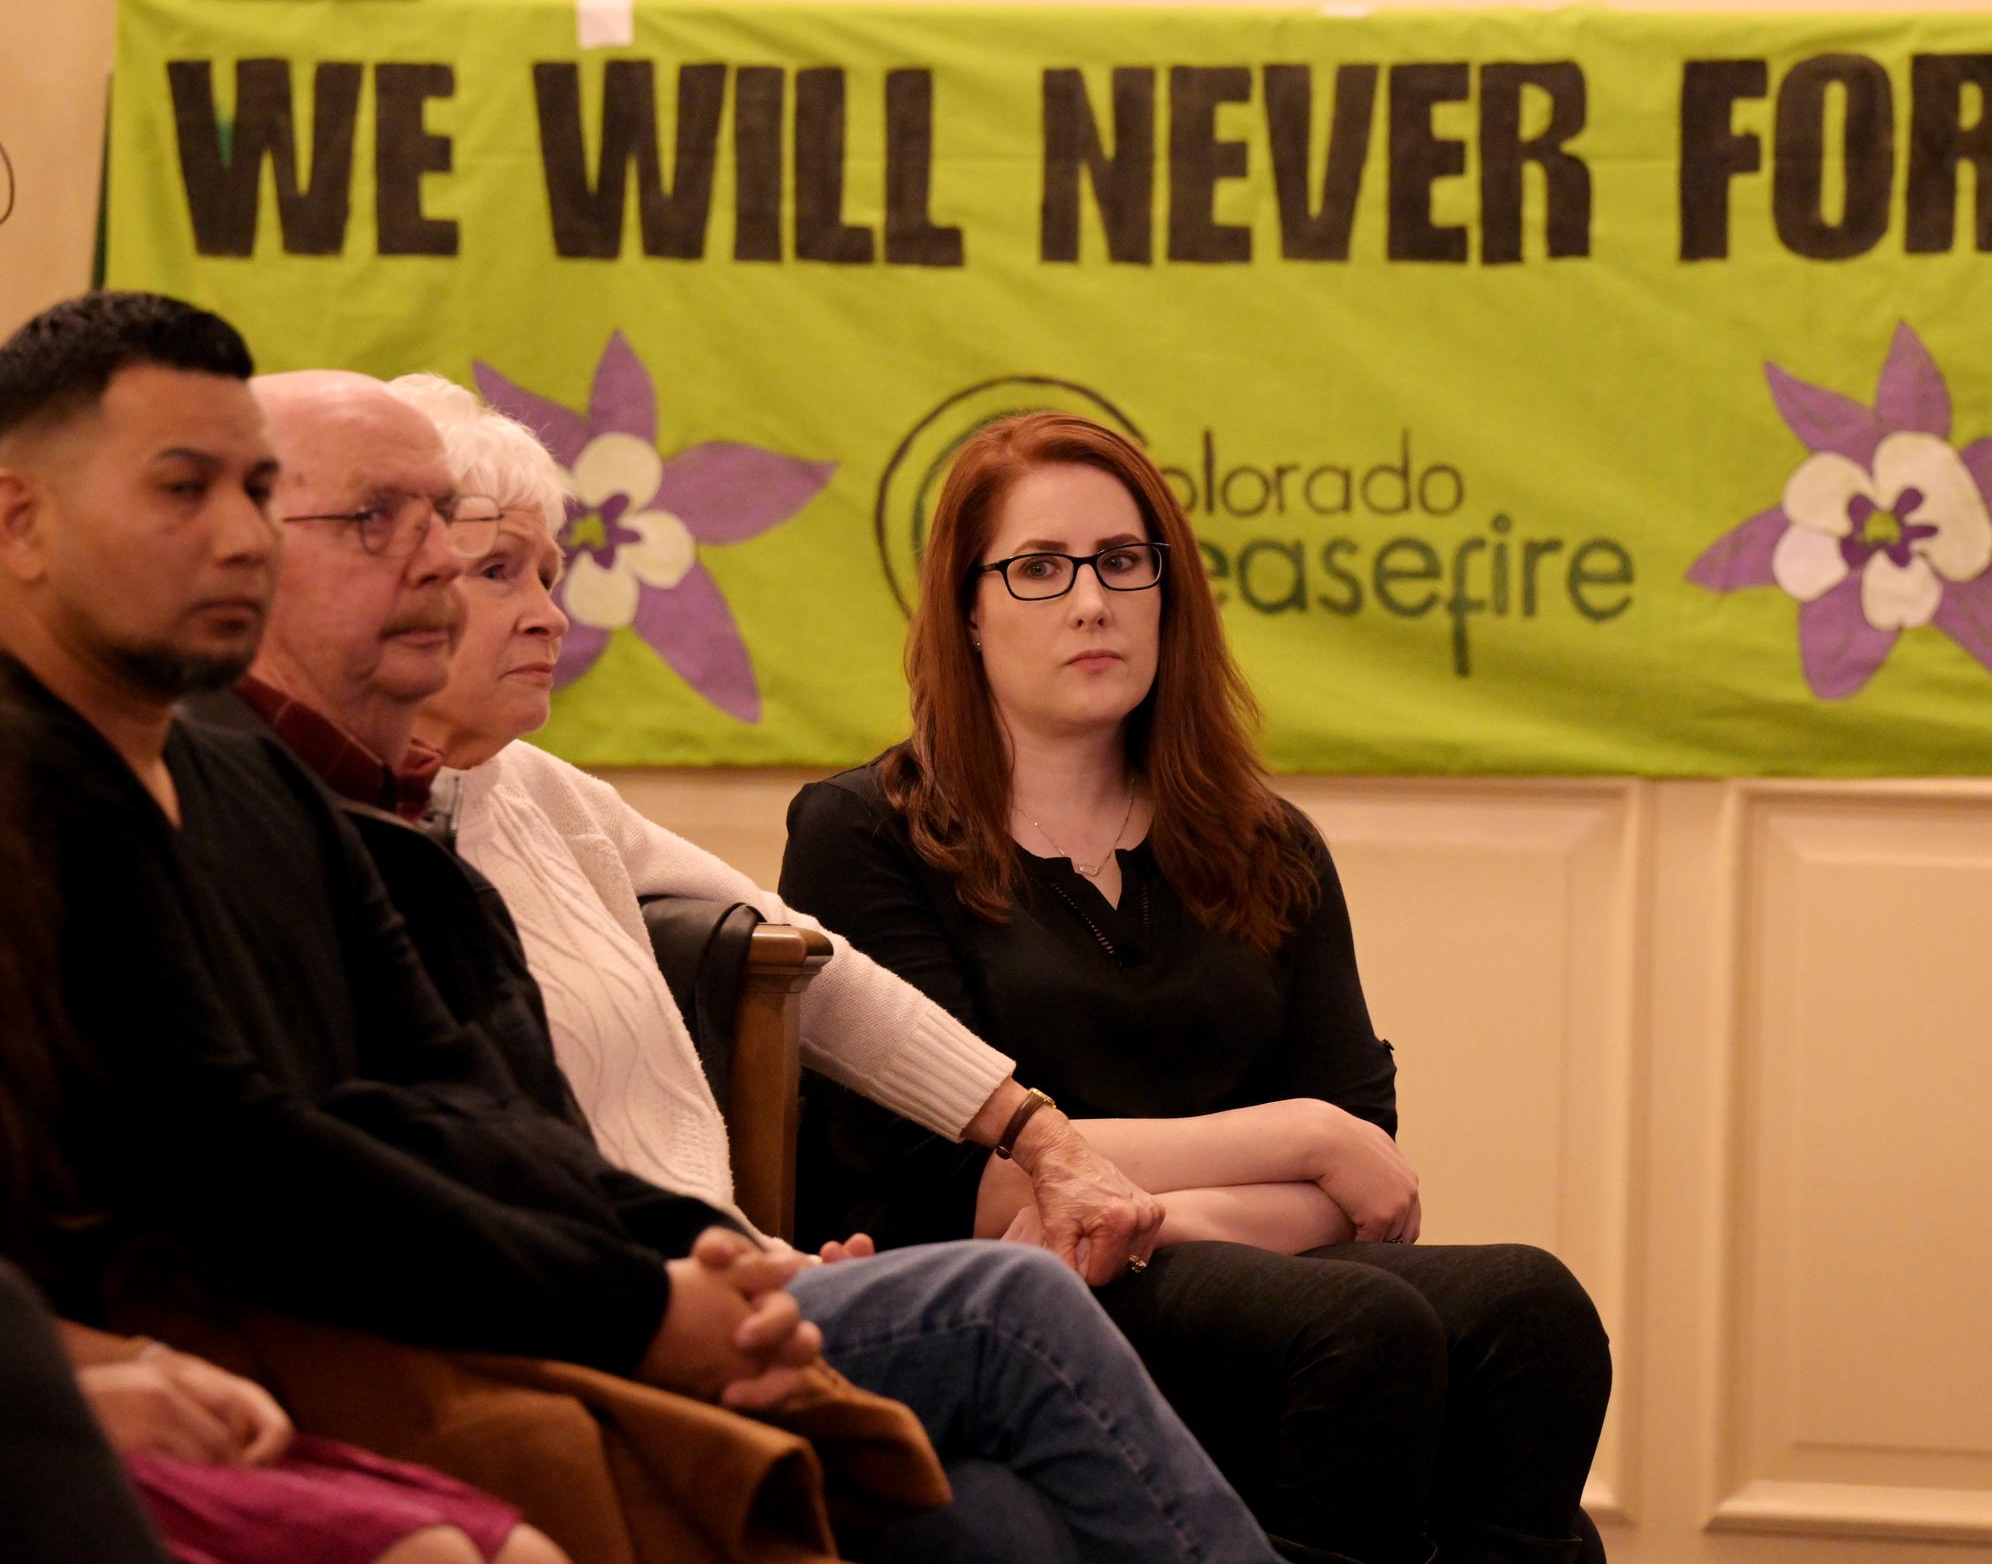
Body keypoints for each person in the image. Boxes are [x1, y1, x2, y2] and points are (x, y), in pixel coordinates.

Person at [0, 291, 1278, 1564]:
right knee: (1009, 1308)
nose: (451, 574)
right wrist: (655, 1299)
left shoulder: (388, 799)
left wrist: (726, 1257)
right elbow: (250, 1154)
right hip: (400, 1325)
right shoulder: (106, 787)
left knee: (994, 1505)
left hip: (616, 1276)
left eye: (485, 548)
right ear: (23, 522)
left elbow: (505, 1111)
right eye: (190, 491)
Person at [782, 411, 1615, 1564]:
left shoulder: (1266, 840)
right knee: (1364, 1327)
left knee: (1536, 1306)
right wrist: (1297, 1133)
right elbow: (949, 1180)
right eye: (1038, 568)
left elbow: (1365, 1172)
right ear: (966, 610)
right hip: (1013, 1292)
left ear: (1170, 592)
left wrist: (1150, 1211)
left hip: (1184, 1250)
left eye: (1124, 562)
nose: (1091, 602)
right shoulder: (865, 831)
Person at [382, 373, 1143, 1278]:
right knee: (1015, 1302)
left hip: (719, 1277)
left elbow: (818, 968)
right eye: (501, 571)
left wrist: (1041, 1137)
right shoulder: (306, 824)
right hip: (606, 1303)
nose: (553, 617)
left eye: (552, 575)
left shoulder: (551, 798)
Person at [0, 720, 560, 1564]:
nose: (541, 616)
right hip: (95, 1366)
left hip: (88, 1354)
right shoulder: (78, 793)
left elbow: (487, 1105)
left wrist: (138, 1364)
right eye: (498, 575)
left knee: (511, 1538)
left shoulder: (249, 781)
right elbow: (247, 1140)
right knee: (468, 1519)